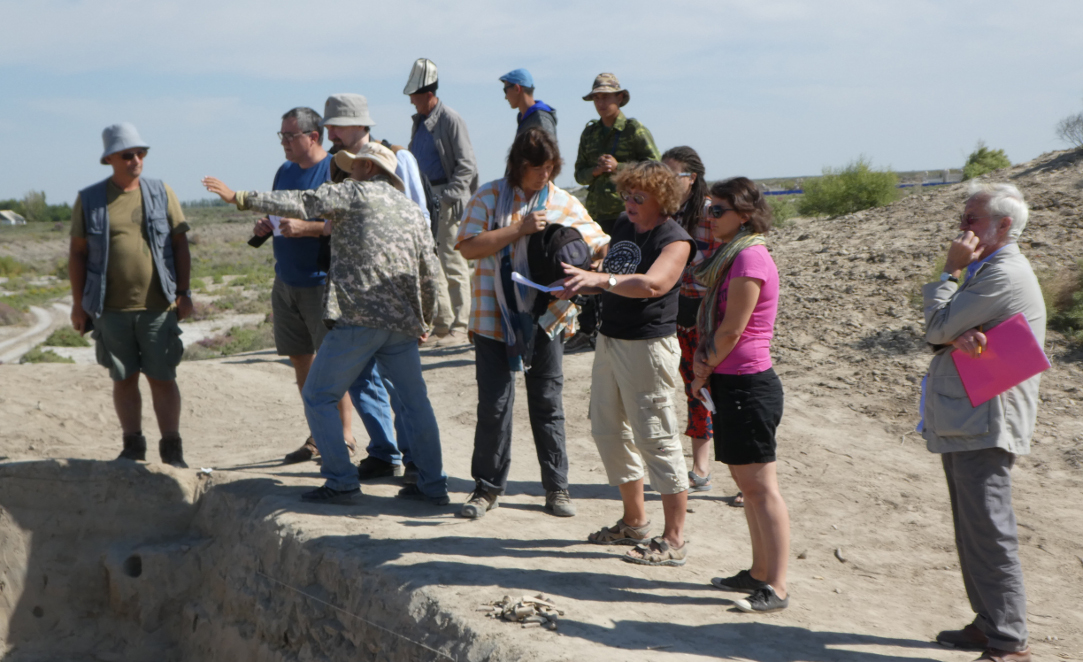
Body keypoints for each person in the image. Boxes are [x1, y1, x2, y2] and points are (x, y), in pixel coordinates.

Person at [202, 142, 448, 506]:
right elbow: (429, 268)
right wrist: (427, 317)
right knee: (415, 404)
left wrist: (238, 196)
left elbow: (301, 202)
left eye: (353, 166)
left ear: (366, 168)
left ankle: (341, 481)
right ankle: (433, 485)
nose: (347, 172)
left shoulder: (354, 193)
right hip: (403, 322)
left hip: (360, 318)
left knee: (318, 395)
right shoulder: (411, 210)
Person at [454, 128, 608, 519]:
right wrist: (517, 230)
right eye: (537, 168)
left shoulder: (563, 202)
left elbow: (599, 242)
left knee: (548, 405)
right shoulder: (490, 196)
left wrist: (590, 269)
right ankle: (486, 490)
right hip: (494, 318)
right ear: (518, 166)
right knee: (494, 406)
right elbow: (468, 247)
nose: (545, 175)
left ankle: (557, 489)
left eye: (551, 167)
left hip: (546, 321)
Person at [921, 183, 1043, 662]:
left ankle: (1010, 640)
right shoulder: (988, 270)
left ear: (1004, 226)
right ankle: (989, 622)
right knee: (972, 527)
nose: (962, 227)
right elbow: (943, 331)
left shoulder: (1003, 273)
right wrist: (952, 331)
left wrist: (949, 274)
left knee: (989, 529)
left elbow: (935, 327)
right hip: (970, 413)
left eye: (972, 219)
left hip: (985, 415)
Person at [559, 161, 694, 566]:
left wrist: (600, 281)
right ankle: (634, 522)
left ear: (662, 199)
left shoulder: (675, 239)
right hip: (610, 340)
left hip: (648, 347)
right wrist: (587, 274)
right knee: (608, 431)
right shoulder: (622, 226)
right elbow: (614, 269)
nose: (630, 203)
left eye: (639, 197)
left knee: (656, 436)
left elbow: (654, 283)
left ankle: (674, 539)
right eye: (626, 195)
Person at [689, 177, 790, 613]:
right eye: (708, 210)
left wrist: (701, 366)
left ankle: (778, 586)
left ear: (744, 216)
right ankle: (758, 573)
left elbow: (733, 328)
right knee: (748, 487)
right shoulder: (731, 256)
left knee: (761, 488)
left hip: (748, 384)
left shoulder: (749, 257)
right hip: (732, 383)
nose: (708, 219)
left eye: (718, 211)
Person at [321, 92, 430, 483]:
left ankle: (416, 459)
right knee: (362, 376)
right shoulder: (337, 166)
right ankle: (385, 452)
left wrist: (419, 305)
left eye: (334, 124)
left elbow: (418, 224)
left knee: (399, 383)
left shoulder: (398, 158)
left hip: (389, 295)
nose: (329, 132)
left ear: (357, 124)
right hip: (351, 296)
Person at [68, 123, 192, 467]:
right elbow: (77, 253)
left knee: (163, 378)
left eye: (141, 153)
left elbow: (180, 244)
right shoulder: (90, 199)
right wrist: (79, 305)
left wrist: (184, 293)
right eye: (128, 155)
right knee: (123, 378)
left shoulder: (161, 192)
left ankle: (172, 451)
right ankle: (132, 447)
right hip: (109, 308)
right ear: (110, 159)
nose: (136, 160)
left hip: (158, 306)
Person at [251, 107, 357, 464]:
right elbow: (280, 211)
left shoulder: (334, 170)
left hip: (320, 281)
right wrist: (267, 224)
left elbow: (343, 225)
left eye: (289, 135)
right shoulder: (284, 171)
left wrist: (306, 228)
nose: (283, 141)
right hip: (286, 279)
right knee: (301, 359)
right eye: (281, 135)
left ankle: (343, 438)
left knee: (331, 364)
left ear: (313, 137)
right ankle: (317, 434)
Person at [568, 73, 660, 351]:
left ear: (620, 98)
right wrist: (595, 171)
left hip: (628, 215)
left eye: (606, 96)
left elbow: (655, 168)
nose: (600, 102)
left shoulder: (634, 130)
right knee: (591, 269)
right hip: (594, 216)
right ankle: (588, 330)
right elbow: (579, 174)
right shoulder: (590, 132)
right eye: (596, 97)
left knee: (623, 270)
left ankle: (620, 326)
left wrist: (619, 167)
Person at [661, 146, 728, 499]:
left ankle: (752, 476)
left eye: (673, 175)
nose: (666, 182)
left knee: (729, 392)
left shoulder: (712, 214)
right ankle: (700, 469)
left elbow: (731, 260)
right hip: (679, 314)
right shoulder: (665, 213)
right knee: (695, 389)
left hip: (714, 315)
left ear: (692, 178)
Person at [405, 58, 479, 345]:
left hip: (445, 199)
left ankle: (461, 325)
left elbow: (466, 165)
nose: (411, 100)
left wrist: (448, 198)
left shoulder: (450, 119)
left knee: (452, 261)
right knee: (432, 263)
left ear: (428, 94)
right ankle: (443, 324)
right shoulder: (420, 123)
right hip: (426, 200)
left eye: (414, 95)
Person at [498, 68, 557, 139]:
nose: (506, 97)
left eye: (505, 91)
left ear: (517, 88)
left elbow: (548, 149)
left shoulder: (540, 119)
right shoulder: (525, 118)